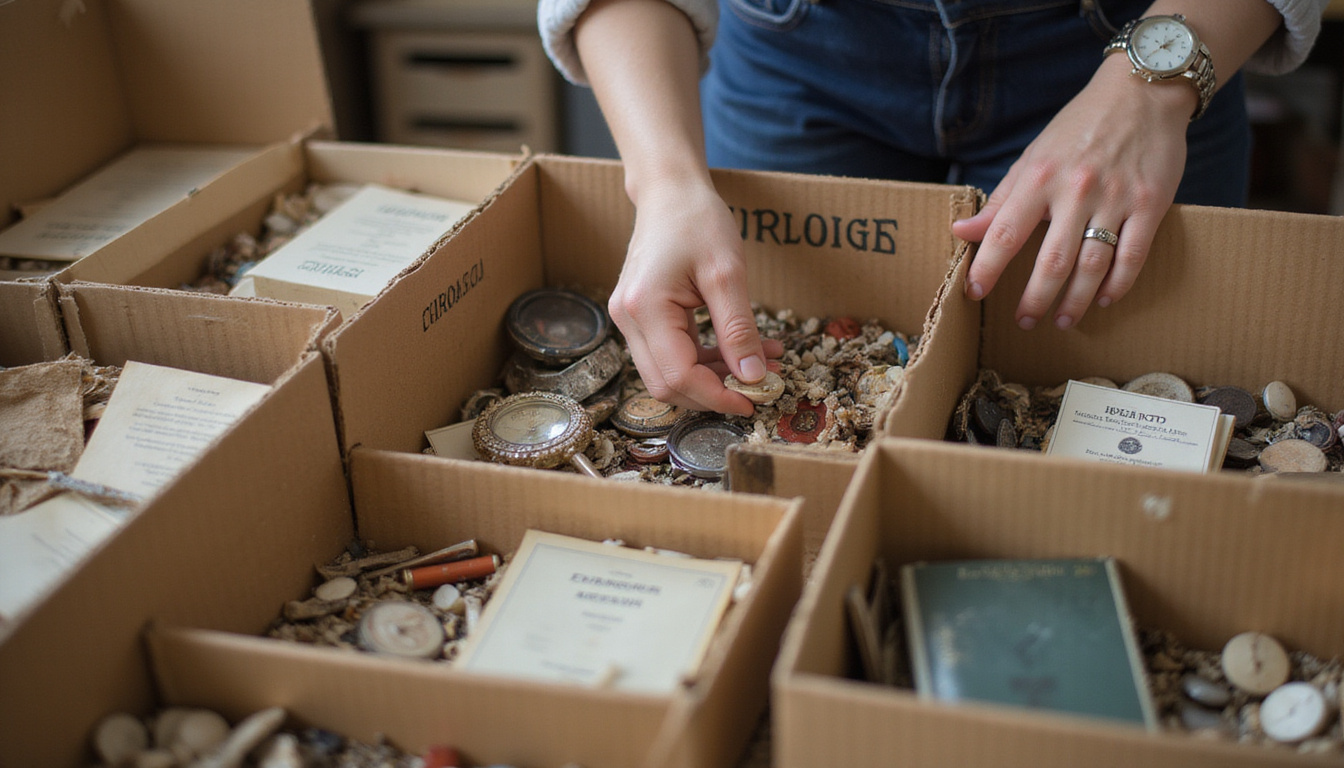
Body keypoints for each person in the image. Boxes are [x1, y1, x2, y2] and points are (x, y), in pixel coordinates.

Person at [538, 0, 1328, 416]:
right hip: (795, 50)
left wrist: (1151, 86)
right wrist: (665, 181)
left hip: (1133, 44)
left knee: (1120, 356)